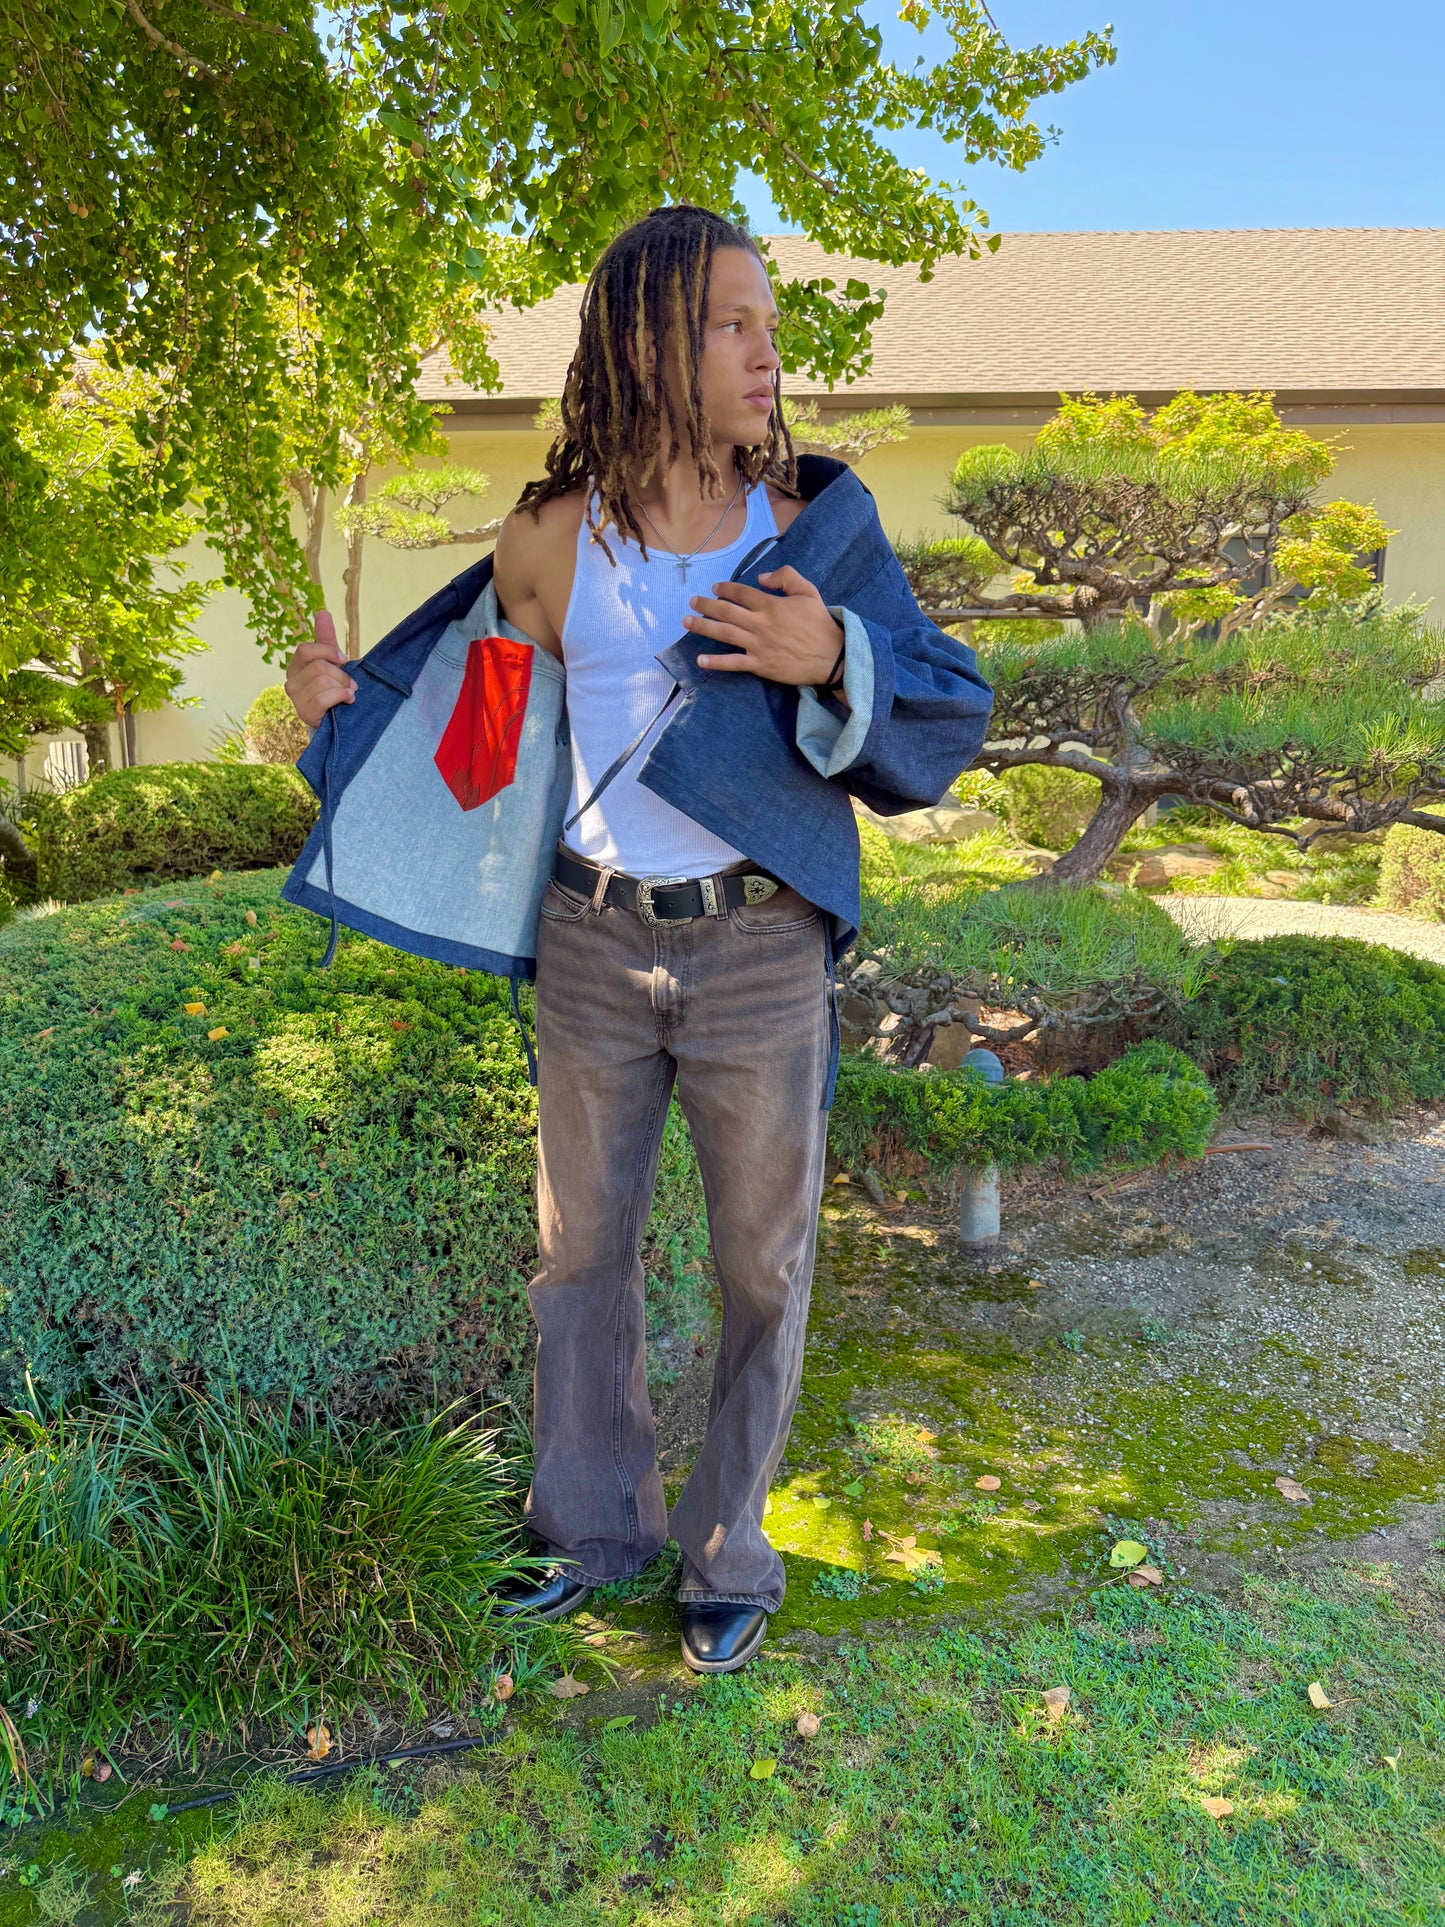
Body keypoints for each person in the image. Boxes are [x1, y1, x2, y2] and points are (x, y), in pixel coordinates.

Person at [283, 203, 993, 1674]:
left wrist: (832, 655)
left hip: (759, 951)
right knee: (578, 1260)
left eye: (769, 327)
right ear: (645, 340)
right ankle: (589, 1533)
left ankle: (728, 1545)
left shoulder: (809, 527)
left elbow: (942, 705)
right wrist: (344, 717)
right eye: (733, 323)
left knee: (762, 1267)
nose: (764, 353)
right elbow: (483, 755)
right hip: (594, 949)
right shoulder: (547, 541)